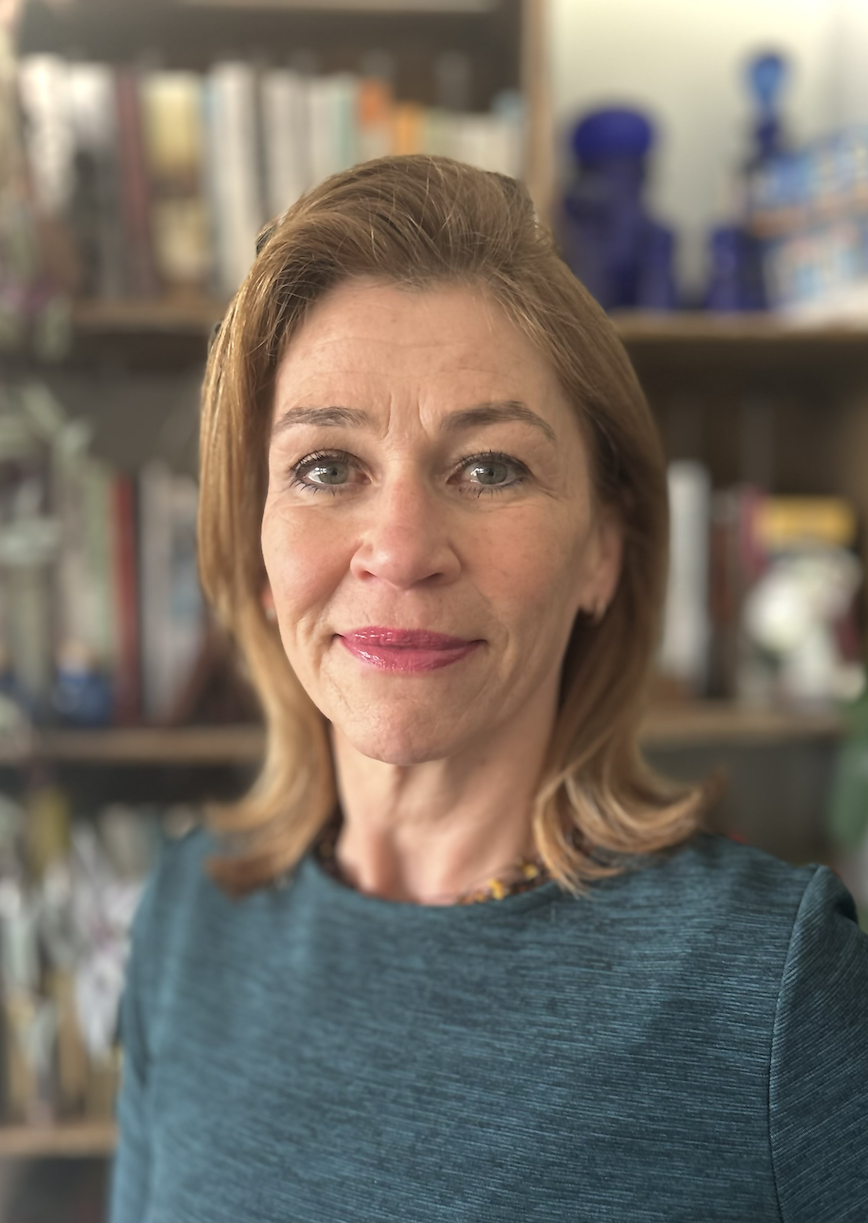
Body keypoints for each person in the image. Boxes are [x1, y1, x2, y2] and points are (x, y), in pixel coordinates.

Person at [108, 156, 868, 1223]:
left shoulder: (770, 988)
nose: (403, 550)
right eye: (327, 465)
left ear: (604, 546)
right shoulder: (188, 917)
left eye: (489, 467)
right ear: (253, 538)